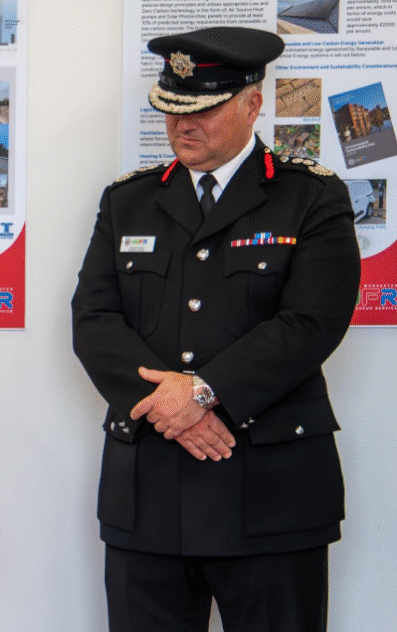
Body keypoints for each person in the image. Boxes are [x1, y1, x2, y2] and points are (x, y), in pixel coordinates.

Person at [71, 27, 360, 632]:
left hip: (271, 496)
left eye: (202, 110)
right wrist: (170, 405)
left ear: (253, 104)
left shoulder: (311, 197)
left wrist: (203, 392)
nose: (183, 126)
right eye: (173, 110)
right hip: (149, 491)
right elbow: (94, 320)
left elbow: (312, 322)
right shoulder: (128, 201)